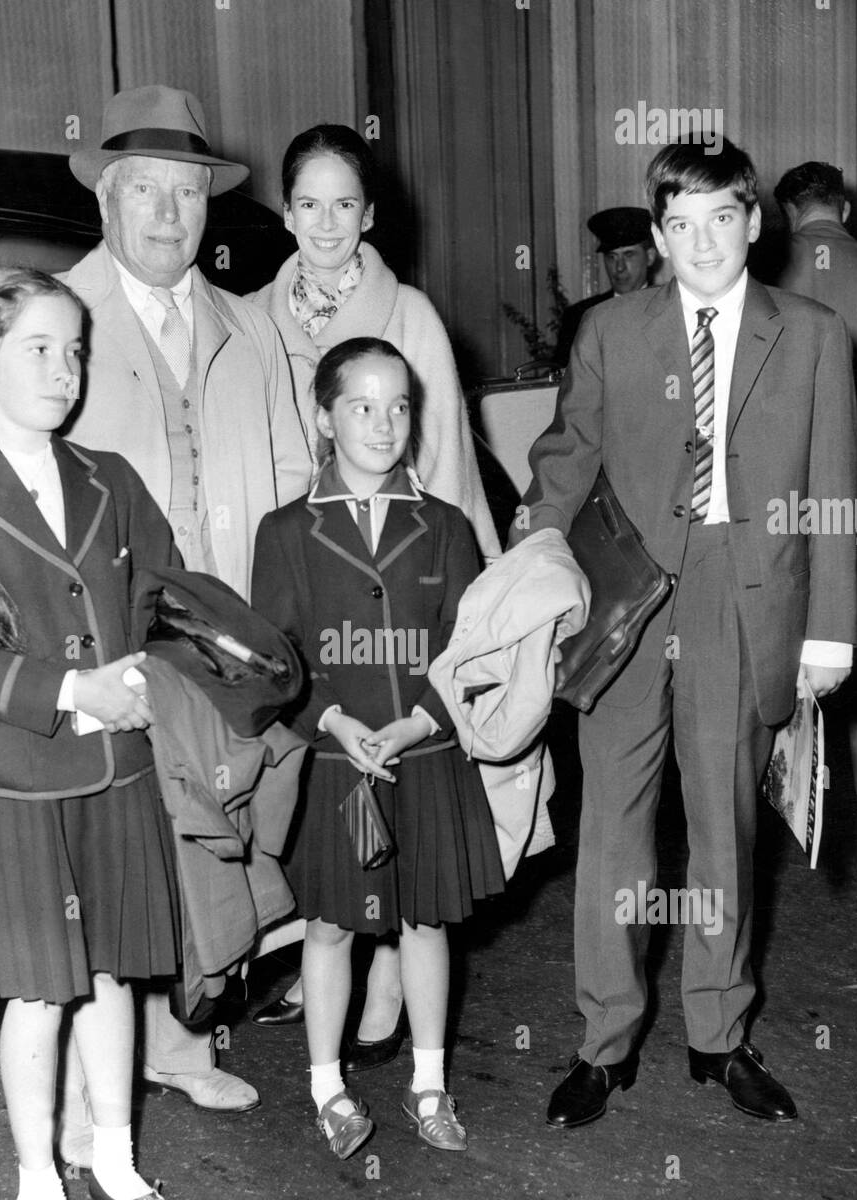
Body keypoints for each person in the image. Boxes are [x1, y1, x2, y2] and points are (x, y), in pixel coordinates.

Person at [0, 86, 317, 1135]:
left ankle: (175, 1048)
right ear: (104, 198)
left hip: (209, 640)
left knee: (209, 844)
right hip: (95, 660)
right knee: (114, 868)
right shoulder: (52, 319)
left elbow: (292, 484)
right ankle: (110, 1084)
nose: (169, 213)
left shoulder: (251, 328)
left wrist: (266, 637)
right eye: (145, 189)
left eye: (187, 191)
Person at [514, 138, 857, 1129]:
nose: (701, 243)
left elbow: (832, 489)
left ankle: (719, 1034)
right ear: (658, 237)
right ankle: (603, 1041)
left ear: (755, 223)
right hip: (627, 596)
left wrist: (829, 632)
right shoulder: (611, 331)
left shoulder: (814, 334)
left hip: (744, 600)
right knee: (611, 832)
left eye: (720, 219)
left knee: (724, 828)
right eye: (680, 224)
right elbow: (565, 460)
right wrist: (532, 560)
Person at [0, 269, 190, 1200]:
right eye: (37, 349)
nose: (65, 371)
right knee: (38, 991)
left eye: (75, 350)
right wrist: (74, 689)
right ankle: (37, 1183)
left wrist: (156, 678)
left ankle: (114, 1157)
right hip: (17, 781)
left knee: (111, 975)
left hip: (117, 770)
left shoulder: (110, 477)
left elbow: (169, 597)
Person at [248, 123, 500, 1052]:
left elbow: (444, 460)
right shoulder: (253, 313)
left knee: (411, 820)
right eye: (308, 204)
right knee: (319, 804)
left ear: (369, 215)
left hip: (401, 562)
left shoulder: (413, 314)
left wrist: (464, 584)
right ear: (284, 213)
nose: (325, 223)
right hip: (307, 562)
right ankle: (328, 948)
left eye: (344, 204)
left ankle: (391, 972)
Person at [251, 337, 505, 1158]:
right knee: (329, 929)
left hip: (423, 757)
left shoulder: (445, 526)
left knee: (425, 923)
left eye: (398, 406)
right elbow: (275, 659)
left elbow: (467, 649)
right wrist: (331, 720)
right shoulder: (286, 530)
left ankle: (428, 1082)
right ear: (325, 418)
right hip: (337, 764)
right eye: (361, 406)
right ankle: (327, 1088)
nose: (383, 423)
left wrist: (423, 720)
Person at [773, 161, 857, 818]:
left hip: (788, 495)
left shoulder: (766, 279)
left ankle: (791, 789)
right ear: (842, 208)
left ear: (788, 214)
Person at [554, 206, 657, 366]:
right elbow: (563, 375)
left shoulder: (670, 309)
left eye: (629, 255)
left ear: (650, 257)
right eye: (612, 257)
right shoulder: (579, 317)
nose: (619, 267)